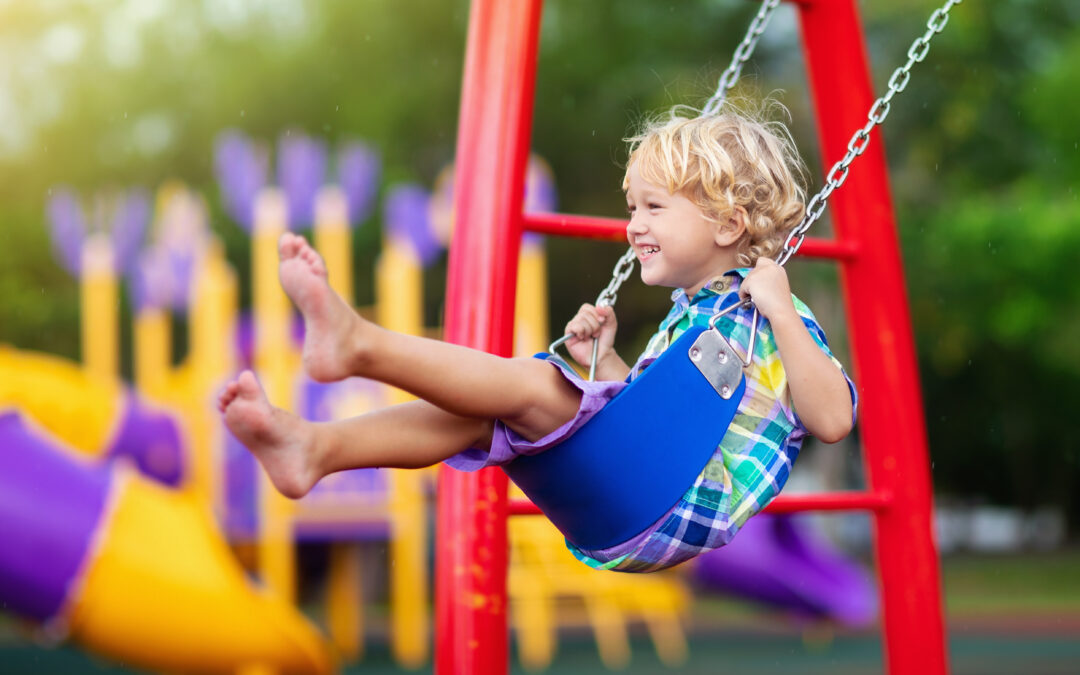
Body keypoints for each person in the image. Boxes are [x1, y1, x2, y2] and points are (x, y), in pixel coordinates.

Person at [219, 107, 857, 572]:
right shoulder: (691, 315)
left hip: (669, 504)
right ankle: (316, 448)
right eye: (631, 207)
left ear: (729, 226)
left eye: (653, 209)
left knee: (533, 384)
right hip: (629, 498)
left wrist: (782, 312)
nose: (633, 226)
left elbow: (832, 419)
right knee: (482, 418)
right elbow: (654, 421)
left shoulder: (771, 317)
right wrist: (604, 360)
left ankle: (358, 345)